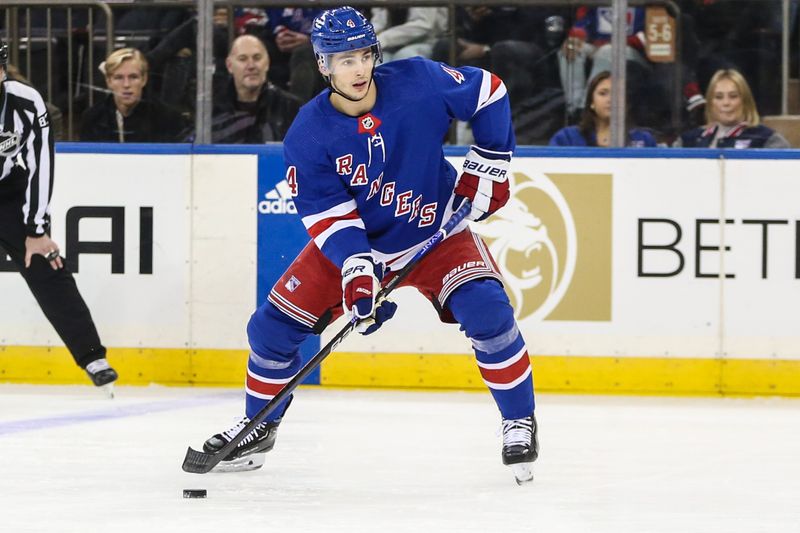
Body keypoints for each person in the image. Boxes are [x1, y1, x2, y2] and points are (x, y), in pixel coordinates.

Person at [195, 7, 538, 483]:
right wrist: (358, 270)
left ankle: (518, 420)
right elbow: (330, 216)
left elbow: (489, 92)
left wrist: (491, 160)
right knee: (270, 331)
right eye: (343, 59)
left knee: (488, 311)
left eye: (363, 55)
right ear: (323, 65)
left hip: (437, 231)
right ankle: (260, 426)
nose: (357, 69)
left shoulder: (418, 82)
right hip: (364, 243)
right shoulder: (308, 133)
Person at [0, 40, 118, 389]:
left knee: (47, 264)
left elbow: (41, 164)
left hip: (8, 191)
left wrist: (36, 228)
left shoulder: (24, 101)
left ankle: (91, 356)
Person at [79, 48, 186, 142]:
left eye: (133, 77)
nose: (126, 85)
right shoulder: (92, 118)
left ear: (144, 79)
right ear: (109, 81)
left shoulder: (168, 118)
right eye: (119, 78)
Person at [211, 34, 302, 144]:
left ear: (267, 62)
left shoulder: (292, 108)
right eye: (242, 59)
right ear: (229, 66)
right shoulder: (213, 110)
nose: (251, 66)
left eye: (257, 58)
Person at [675, 68, 790, 148]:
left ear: (745, 100)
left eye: (733, 96)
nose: (726, 103)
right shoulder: (688, 140)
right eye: (719, 97)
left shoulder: (766, 139)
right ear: (710, 103)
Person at [549, 71, 657, 147]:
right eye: (603, 93)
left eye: (618, 94)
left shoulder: (644, 139)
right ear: (591, 102)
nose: (611, 99)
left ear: (627, 103)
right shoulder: (567, 138)